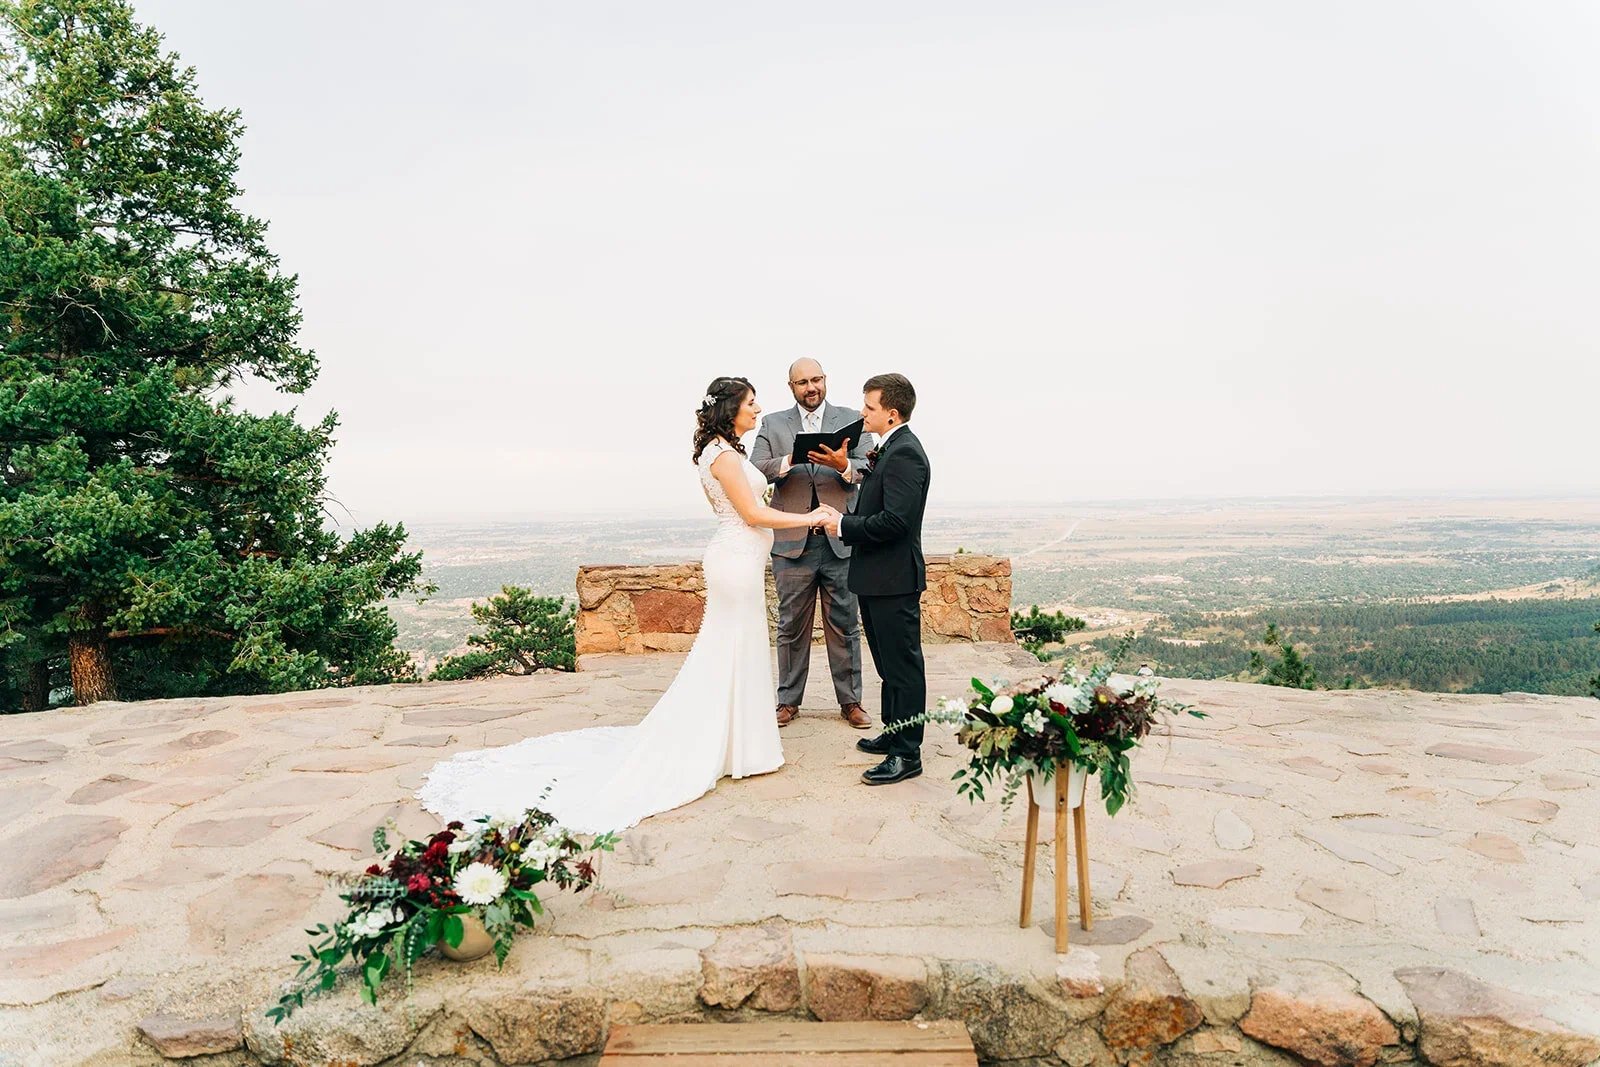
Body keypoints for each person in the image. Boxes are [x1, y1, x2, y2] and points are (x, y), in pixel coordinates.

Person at [416, 377, 837, 832]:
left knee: (739, 650)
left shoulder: (724, 451)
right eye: (752, 403)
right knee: (730, 649)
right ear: (731, 408)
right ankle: (731, 745)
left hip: (741, 560)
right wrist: (810, 517)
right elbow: (752, 515)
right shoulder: (723, 456)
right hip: (734, 561)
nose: (758, 410)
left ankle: (742, 744)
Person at [819, 374, 931, 786]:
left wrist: (842, 526)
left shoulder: (906, 454)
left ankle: (908, 753)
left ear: (892, 413)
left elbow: (896, 521)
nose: (863, 413)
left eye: (869, 408)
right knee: (887, 666)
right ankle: (895, 731)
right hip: (876, 577)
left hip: (894, 578)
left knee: (903, 668)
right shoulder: (889, 448)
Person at [749, 358, 871, 730]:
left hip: (839, 541)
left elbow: (867, 466)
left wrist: (841, 464)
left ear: (825, 380)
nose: (810, 387)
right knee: (790, 626)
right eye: (802, 382)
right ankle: (787, 701)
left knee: (845, 625)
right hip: (791, 544)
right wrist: (788, 460)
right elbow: (756, 467)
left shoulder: (852, 418)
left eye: (815, 379)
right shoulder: (772, 423)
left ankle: (851, 701)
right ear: (791, 387)